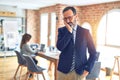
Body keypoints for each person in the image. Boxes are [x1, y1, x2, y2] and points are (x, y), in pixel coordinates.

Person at [56, 6, 97, 80]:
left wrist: (88, 68)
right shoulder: (61, 31)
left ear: (76, 16)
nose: (68, 21)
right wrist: (69, 32)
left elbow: (93, 53)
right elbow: (60, 47)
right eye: (65, 18)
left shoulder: (85, 32)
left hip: (79, 72)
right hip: (63, 71)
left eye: (70, 17)